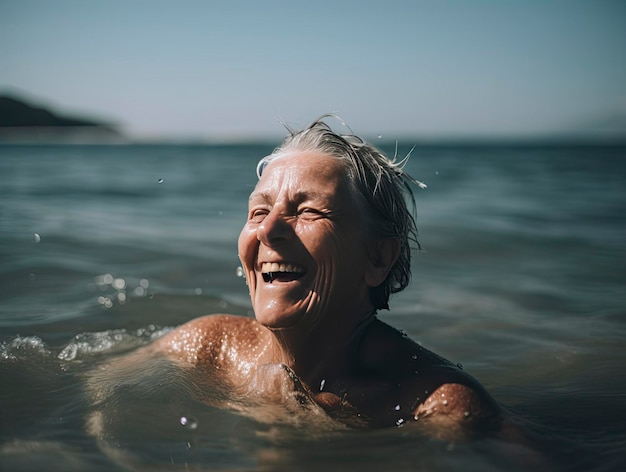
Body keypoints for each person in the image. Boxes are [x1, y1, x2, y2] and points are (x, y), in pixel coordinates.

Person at [121, 117, 502, 435]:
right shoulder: (208, 348)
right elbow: (95, 397)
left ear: (379, 257)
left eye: (307, 211)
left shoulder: (435, 406)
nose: (268, 230)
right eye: (258, 212)